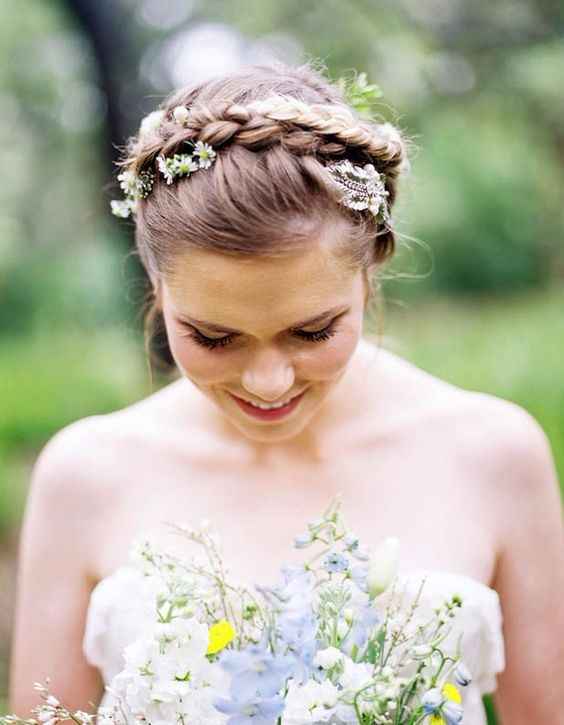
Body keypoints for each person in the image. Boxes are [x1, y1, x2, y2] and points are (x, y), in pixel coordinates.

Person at [8, 60, 564, 725]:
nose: (267, 380)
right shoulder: (83, 474)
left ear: (371, 267)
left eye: (312, 330)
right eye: (215, 337)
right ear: (156, 287)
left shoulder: (496, 454)